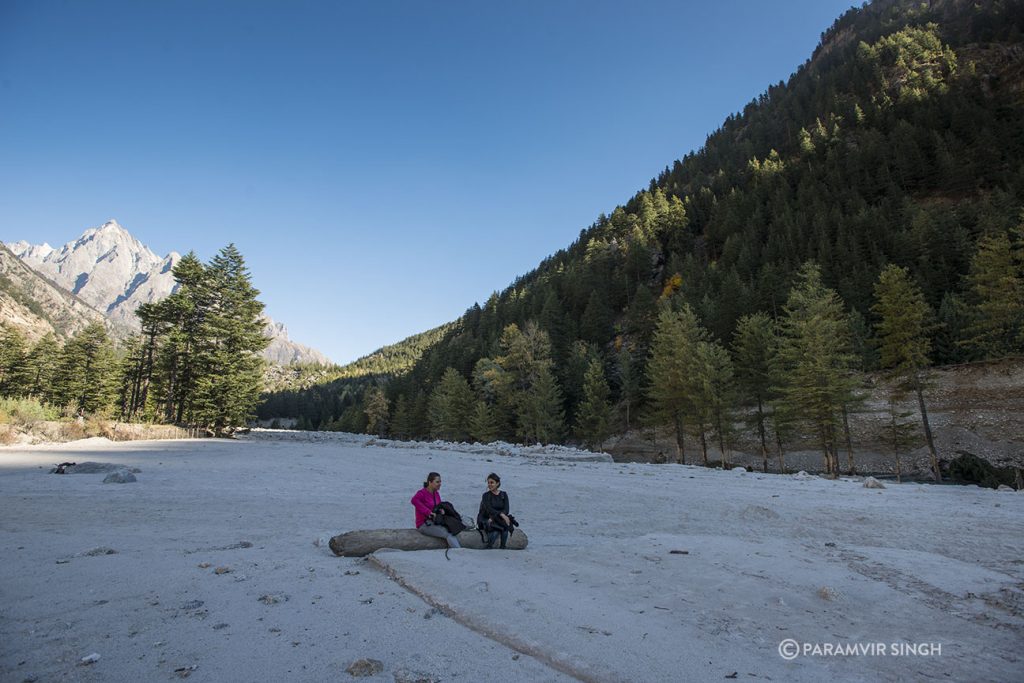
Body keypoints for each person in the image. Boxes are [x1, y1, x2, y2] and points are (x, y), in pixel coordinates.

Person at [410, 472, 461, 549]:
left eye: (440, 482)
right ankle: (459, 551)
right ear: (430, 482)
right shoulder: (422, 493)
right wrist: (428, 512)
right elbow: (414, 501)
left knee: (454, 525)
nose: (440, 484)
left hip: (435, 521)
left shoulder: (436, 493)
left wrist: (441, 511)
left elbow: (438, 506)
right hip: (424, 524)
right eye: (437, 482)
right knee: (447, 534)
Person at [478, 472, 511, 549]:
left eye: (492, 482)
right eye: (488, 483)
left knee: (505, 531)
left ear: (497, 483)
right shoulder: (485, 495)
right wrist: (502, 515)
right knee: (495, 532)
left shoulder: (504, 494)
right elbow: (489, 509)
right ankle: (489, 546)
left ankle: (503, 547)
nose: (489, 485)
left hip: (499, 518)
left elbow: (506, 509)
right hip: (487, 517)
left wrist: (503, 515)